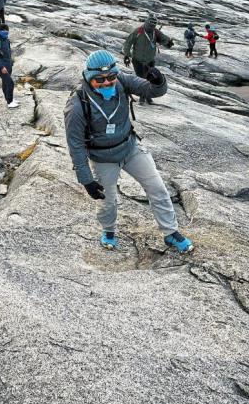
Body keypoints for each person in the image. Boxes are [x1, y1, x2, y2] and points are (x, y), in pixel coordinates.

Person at [64, 50, 193, 253]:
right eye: (100, 79)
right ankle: (108, 230)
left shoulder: (122, 81)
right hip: (103, 157)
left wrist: (158, 81)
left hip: (130, 147)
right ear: (89, 78)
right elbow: (76, 144)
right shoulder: (77, 104)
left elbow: (152, 90)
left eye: (111, 77)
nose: (107, 82)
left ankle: (171, 233)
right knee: (107, 201)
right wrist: (86, 179)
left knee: (157, 188)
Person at [122, 13, 174, 103]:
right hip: (137, 60)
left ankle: (147, 96)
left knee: (150, 79)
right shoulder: (138, 31)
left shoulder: (155, 32)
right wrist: (126, 55)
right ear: (146, 22)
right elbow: (128, 43)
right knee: (141, 79)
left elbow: (163, 38)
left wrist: (168, 42)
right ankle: (143, 96)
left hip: (150, 60)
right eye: (150, 24)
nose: (151, 27)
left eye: (153, 25)